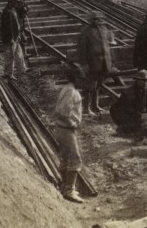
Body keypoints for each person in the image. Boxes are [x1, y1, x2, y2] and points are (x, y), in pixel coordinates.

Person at [53, 63, 86, 203]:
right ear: (76, 78)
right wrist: (72, 123)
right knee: (75, 159)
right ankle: (69, 190)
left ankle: (64, 186)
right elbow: (62, 112)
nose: (82, 81)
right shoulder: (72, 92)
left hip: (62, 129)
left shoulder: (67, 89)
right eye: (80, 78)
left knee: (66, 159)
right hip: (66, 130)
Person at [76, 11, 114, 115]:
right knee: (89, 86)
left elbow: (108, 47)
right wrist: (84, 64)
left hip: (103, 63)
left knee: (98, 85)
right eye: (96, 20)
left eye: (100, 19)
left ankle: (95, 105)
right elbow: (81, 50)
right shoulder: (86, 32)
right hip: (92, 64)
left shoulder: (104, 30)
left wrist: (110, 62)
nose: (99, 21)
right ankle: (86, 108)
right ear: (92, 21)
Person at [0, 0, 26, 80]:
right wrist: (11, 38)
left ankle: (22, 70)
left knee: (19, 54)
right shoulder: (7, 11)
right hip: (9, 38)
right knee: (9, 56)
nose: (16, 4)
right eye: (14, 2)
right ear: (10, 2)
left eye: (16, 2)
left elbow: (16, 24)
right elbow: (8, 27)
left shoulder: (13, 10)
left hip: (15, 37)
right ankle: (8, 73)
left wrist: (18, 35)